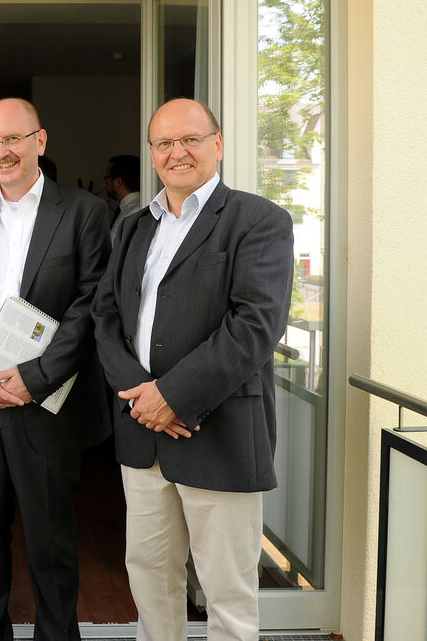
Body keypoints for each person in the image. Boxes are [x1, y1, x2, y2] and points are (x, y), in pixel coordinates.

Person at [91, 98, 294, 641]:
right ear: (153, 155)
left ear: (218, 145)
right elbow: (106, 316)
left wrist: (172, 397)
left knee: (226, 593)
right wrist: (141, 397)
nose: (177, 152)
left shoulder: (259, 220)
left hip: (219, 433)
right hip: (143, 437)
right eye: (164, 143)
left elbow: (255, 326)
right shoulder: (134, 227)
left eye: (191, 140)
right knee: (151, 580)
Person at [0, 98, 110, 641]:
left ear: (40, 141)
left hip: (44, 407)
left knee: (51, 548)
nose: (1, 152)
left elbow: (91, 301)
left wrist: (35, 377)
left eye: (13, 139)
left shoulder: (82, 211)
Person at [104, 154, 141, 243]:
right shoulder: (132, 209)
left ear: (118, 182)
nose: (106, 182)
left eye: (107, 177)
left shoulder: (130, 214)